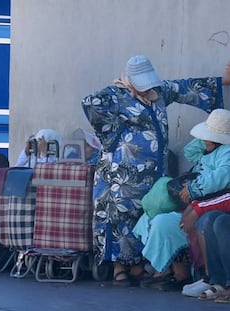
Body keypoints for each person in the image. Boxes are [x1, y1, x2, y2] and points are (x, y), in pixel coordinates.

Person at [81, 54, 230, 286]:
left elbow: (184, 88)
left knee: (144, 212)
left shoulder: (158, 91)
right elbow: (91, 103)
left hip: (152, 172)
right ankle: (119, 268)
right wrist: (113, 136)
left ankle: (139, 265)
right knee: (120, 215)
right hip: (122, 172)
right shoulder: (116, 95)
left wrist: (222, 81)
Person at [133, 109, 230, 291]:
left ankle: (190, 275)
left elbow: (222, 176)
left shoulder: (226, 152)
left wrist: (193, 189)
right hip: (196, 200)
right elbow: (190, 151)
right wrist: (205, 140)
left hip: (209, 201)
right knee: (149, 218)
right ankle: (166, 271)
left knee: (166, 222)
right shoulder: (208, 149)